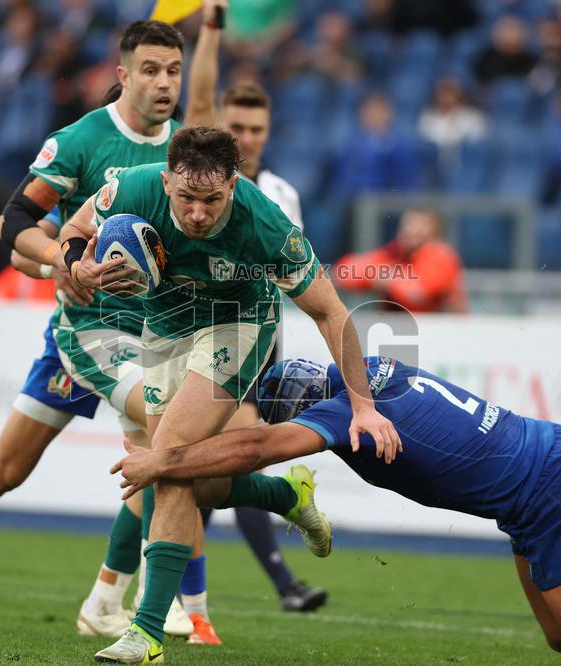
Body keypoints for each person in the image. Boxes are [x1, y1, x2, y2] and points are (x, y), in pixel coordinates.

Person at [111, 356, 561, 666]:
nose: (296, 425)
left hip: (545, 484)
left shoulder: (339, 415)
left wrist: (162, 461)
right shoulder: (371, 374)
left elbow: (257, 447)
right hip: (540, 469)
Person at [62, 126, 397, 663]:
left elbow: (331, 311)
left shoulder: (266, 225)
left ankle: (147, 632)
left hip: (237, 325)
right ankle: (287, 497)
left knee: (166, 457)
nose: (198, 214)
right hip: (164, 325)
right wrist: (79, 265)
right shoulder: (132, 188)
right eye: (186, 198)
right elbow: (76, 227)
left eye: (212, 200)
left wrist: (363, 405)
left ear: (234, 186)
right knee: (204, 484)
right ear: (167, 181)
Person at [0, 19, 196, 642]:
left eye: (173, 71)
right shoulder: (81, 141)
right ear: (123, 75)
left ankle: (124, 598)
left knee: (160, 439)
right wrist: (63, 258)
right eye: (150, 70)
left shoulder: (186, 148)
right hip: (86, 333)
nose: (163, 83)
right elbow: (14, 222)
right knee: (5, 472)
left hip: (154, 332)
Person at [179, 0, 326, 629]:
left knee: (209, 465)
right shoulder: (196, 186)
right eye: (236, 126)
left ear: (268, 134)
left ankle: (175, 606)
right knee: (191, 470)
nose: (247, 138)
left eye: (257, 130)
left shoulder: (281, 196)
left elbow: (294, 278)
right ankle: (177, 601)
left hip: (249, 340)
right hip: (182, 332)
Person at [334, 208, 466, 313]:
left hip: (444, 333)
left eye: (418, 231)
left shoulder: (441, 256)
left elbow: (421, 294)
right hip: (399, 333)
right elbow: (342, 273)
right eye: (406, 228)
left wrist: (391, 280)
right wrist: (376, 276)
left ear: (433, 234)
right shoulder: (395, 253)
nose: (410, 231)